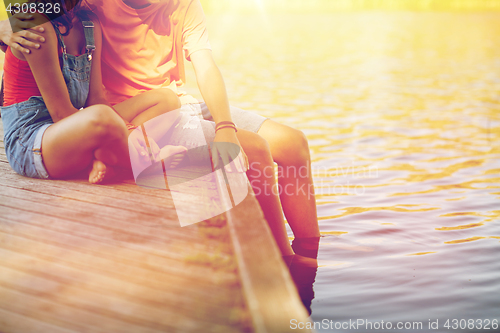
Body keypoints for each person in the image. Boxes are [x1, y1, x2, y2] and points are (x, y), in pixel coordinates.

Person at [0, 0, 320, 257]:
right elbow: (28, 15)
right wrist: (7, 29)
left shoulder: (92, 16)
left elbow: (205, 66)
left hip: (164, 104)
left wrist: (225, 125)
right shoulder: (90, 7)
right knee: (253, 150)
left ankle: (309, 256)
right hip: (83, 123)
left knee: (293, 144)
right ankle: (284, 264)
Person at [0, 0, 186, 186]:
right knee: (103, 117)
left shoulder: (88, 22)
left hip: (73, 128)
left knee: (166, 100)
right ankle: (148, 163)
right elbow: (61, 114)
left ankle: (109, 158)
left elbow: (97, 99)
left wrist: (126, 129)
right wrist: (129, 134)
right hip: (32, 143)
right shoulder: (34, 25)